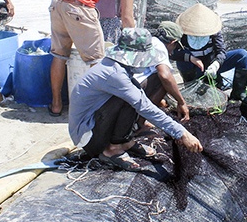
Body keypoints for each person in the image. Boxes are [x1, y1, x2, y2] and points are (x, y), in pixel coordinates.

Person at [48, 0, 153, 116]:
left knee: (59, 55)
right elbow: (127, 18)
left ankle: (56, 106)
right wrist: (135, 46)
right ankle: (96, 111)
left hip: (58, 1)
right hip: (79, 7)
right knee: (98, 62)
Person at [68, 28, 202, 171]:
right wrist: (181, 133)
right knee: (131, 98)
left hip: (96, 123)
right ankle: (112, 149)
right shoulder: (114, 73)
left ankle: (125, 142)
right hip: (88, 136)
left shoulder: (118, 66)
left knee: (149, 83)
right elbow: (144, 106)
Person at [170, 3, 247, 98]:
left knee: (242, 55)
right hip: (194, 69)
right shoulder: (182, 33)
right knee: (182, 61)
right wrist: (191, 58)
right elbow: (172, 53)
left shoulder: (213, 32)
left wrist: (216, 64)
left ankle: (237, 95)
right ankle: (192, 86)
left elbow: (221, 51)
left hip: (211, 65)